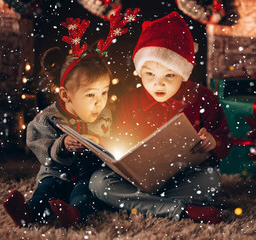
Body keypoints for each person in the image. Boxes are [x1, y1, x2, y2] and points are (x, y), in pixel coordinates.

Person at [89, 11, 232, 224]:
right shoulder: (130, 101)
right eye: (150, 75)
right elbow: (116, 140)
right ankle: (179, 210)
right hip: (138, 181)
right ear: (140, 71)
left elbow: (224, 139)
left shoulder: (202, 97)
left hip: (185, 176)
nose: (159, 84)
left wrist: (213, 141)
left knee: (211, 181)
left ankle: (140, 204)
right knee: (98, 183)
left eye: (169, 75)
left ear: (183, 74)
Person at [2, 47, 113, 228]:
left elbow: (114, 143)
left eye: (104, 92)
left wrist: (100, 142)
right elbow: (36, 142)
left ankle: (74, 213)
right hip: (55, 174)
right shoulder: (49, 117)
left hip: (87, 175)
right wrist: (61, 145)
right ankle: (27, 213)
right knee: (45, 192)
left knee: (84, 195)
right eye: (91, 94)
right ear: (65, 94)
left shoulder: (106, 116)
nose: (99, 102)